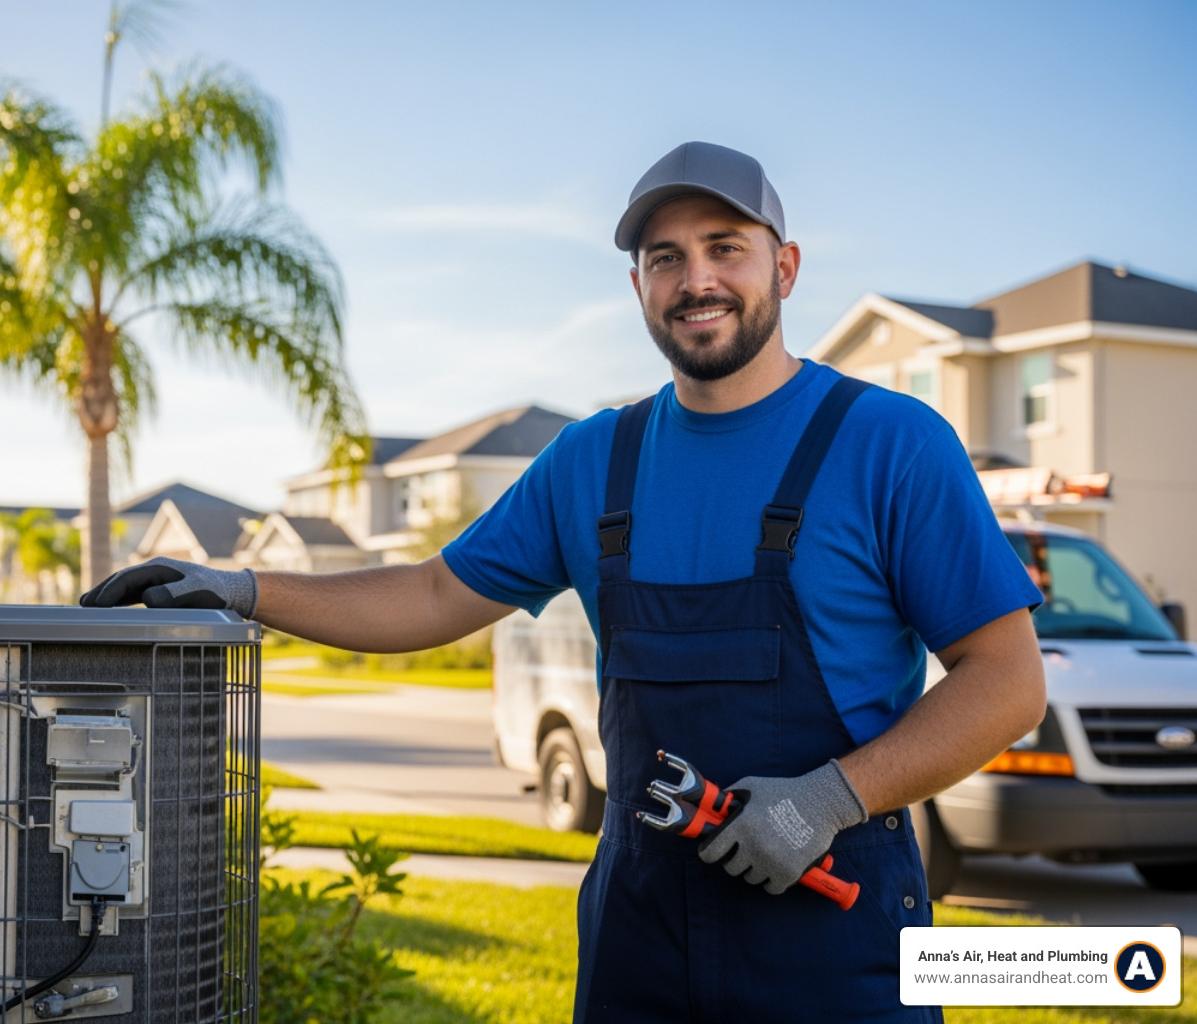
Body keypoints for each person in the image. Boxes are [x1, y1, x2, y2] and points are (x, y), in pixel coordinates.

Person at [82, 141, 1046, 1022]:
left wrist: (827, 799)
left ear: (783, 267)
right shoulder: (594, 461)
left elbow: (1006, 679)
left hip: (832, 935)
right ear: (637, 284)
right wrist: (246, 590)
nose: (696, 279)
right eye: (665, 257)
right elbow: (430, 596)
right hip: (640, 939)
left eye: (725, 247)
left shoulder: (891, 445)